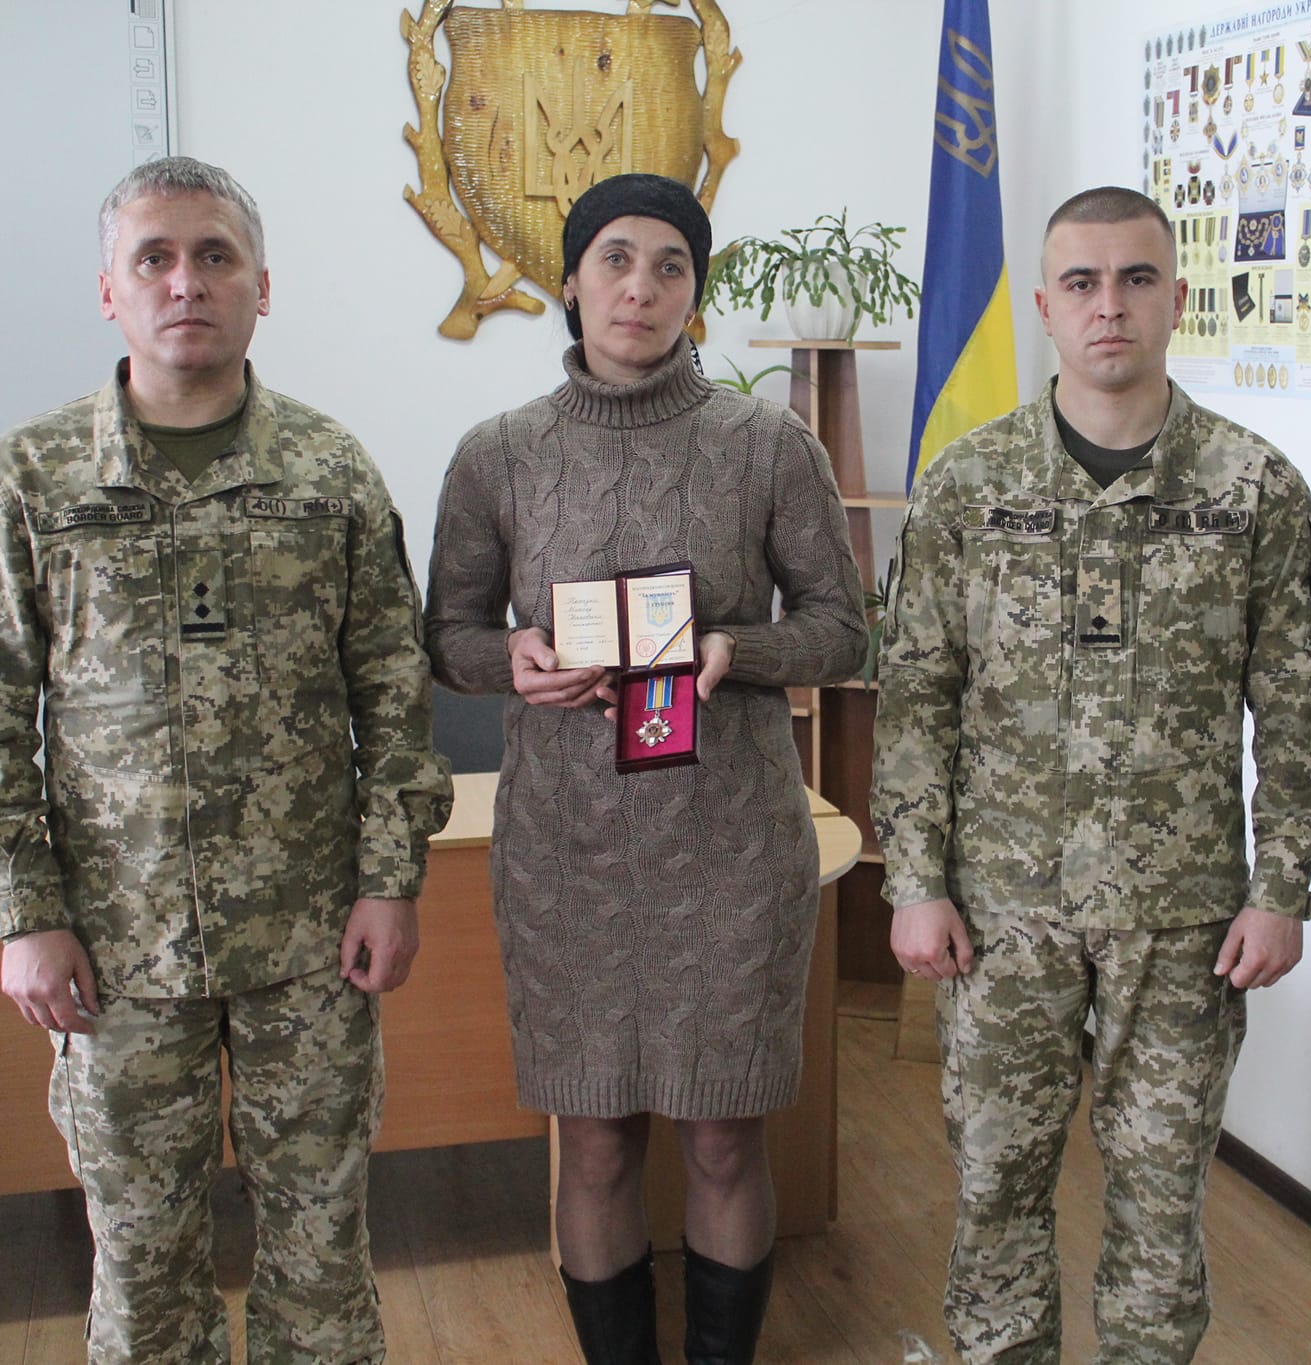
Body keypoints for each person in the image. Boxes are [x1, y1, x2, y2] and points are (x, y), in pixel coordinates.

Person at [0, 156, 453, 1363]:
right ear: (107, 291)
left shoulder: (328, 471)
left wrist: (389, 881)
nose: (186, 282)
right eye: (153, 258)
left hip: (310, 942)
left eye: (214, 255)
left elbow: (393, 688)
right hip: (114, 951)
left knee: (321, 1250)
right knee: (142, 1260)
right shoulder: (33, 476)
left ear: (263, 285)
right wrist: (23, 914)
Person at [871, 185, 1311, 1364]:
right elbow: (917, 695)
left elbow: (1291, 709)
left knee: (1160, 1206)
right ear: (1043, 306)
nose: (1108, 306)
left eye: (1135, 279)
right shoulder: (968, 485)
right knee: (994, 1193)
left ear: (1176, 298)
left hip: (1181, 925)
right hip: (1002, 915)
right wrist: (913, 881)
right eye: (1080, 283)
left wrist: (1281, 887)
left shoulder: (1251, 490)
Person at [423, 173, 866, 1365]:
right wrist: (512, 659)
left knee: (723, 1138)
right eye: (614, 259)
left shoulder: (767, 445)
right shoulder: (498, 455)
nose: (640, 287)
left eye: (671, 265)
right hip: (566, 858)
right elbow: (447, 637)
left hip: (728, 850)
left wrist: (737, 649)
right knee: (596, 1140)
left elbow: (842, 631)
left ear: (693, 292)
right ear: (570, 283)